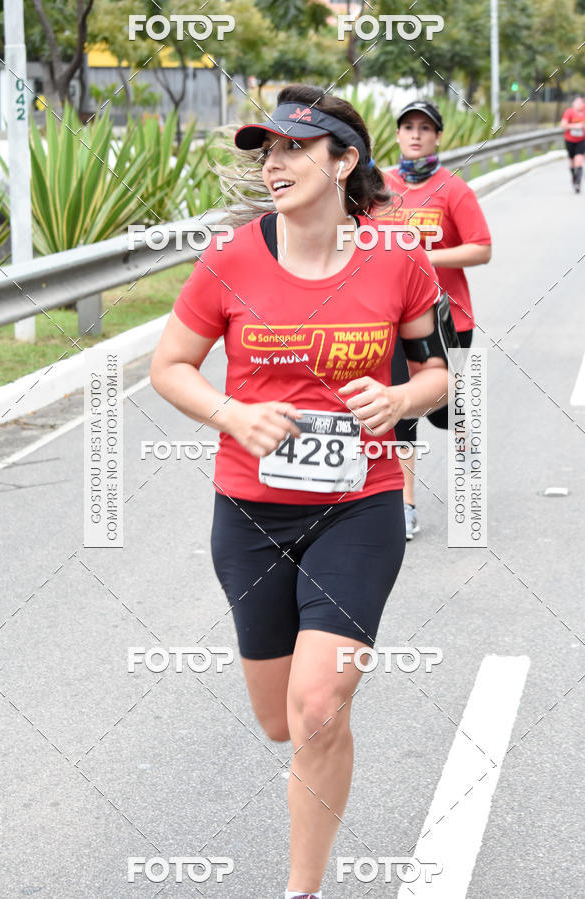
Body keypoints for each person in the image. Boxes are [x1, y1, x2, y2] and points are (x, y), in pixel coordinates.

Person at [150, 84, 448, 899]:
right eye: (267, 151)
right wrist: (231, 413)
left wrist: (397, 400)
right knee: (281, 718)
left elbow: (436, 375)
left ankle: (302, 889)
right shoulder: (231, 257)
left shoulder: (398, 257)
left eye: (293, 149)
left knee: (318, 705)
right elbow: (168, 367)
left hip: (362, 502)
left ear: (343, 160)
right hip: (250, 511)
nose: (274, 164)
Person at [371, 99, 492, 539]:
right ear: (398, 134)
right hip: (398, 323)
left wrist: (423, 256)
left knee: (450, 414)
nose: (416, 134)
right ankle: (405, 505)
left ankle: (467, 474)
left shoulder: (452, 189)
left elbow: (481, 248)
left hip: (451, 320)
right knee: (402, 413)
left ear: (438, 136)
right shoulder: (380, 187)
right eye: (408, 127)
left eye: (425, 127)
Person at [560, 96, 585, 192]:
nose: (579, 104)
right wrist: (575, 126)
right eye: (577, 102)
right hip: (570, 140)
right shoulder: (569, 112)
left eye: (581, 103)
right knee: (572, 161)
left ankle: (578, 183)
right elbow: (563, 125)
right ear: (573, 104)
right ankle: (574, 177)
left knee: (579, 160)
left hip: (581, 140)